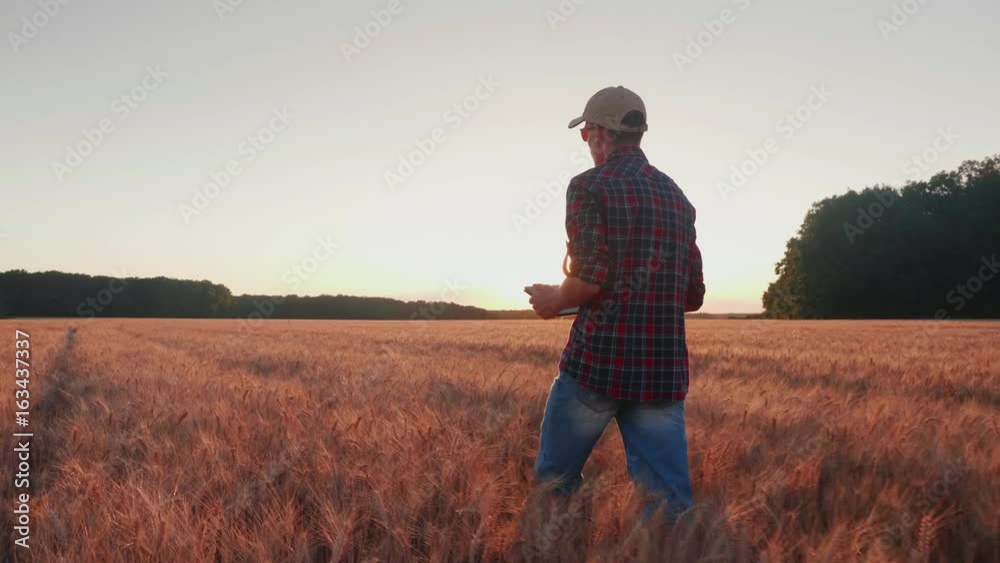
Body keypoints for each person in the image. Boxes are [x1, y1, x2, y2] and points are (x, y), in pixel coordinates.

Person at [526, 85, 705, 522]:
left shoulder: (588, 187)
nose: (587, 144)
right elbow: (693, 296)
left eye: (586, 134)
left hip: (597, 366)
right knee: (668, 509)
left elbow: (588, 279)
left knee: (555, 484)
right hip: (661, 373)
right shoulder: (678, 199)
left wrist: (554, 299)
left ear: (602, 134)